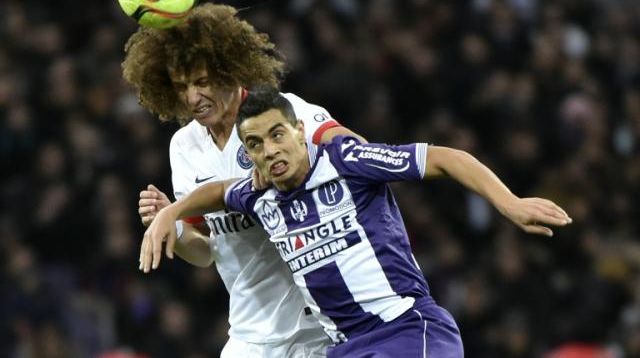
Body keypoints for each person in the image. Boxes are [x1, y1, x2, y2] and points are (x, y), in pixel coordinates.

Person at [139, 88, 573, 358]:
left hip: (404, 330)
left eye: (277, 135)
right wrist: (172, 216)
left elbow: (445, 157)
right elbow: (215, 193)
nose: (270, 150)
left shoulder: (345, 160)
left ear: (297, 131)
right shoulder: (258, 195)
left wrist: (509, 202)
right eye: (255, 144)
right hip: (345, 349)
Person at [122, 3, 364, 357]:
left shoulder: (280, 114)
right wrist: (173, 225)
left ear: (231, 69)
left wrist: (299, 170)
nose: (193, 98)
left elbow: (357, 152)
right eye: (182, 87)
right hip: (252, 333)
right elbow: (206, 251)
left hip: (321, 328)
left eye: (203, 82)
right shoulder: (183, 146)